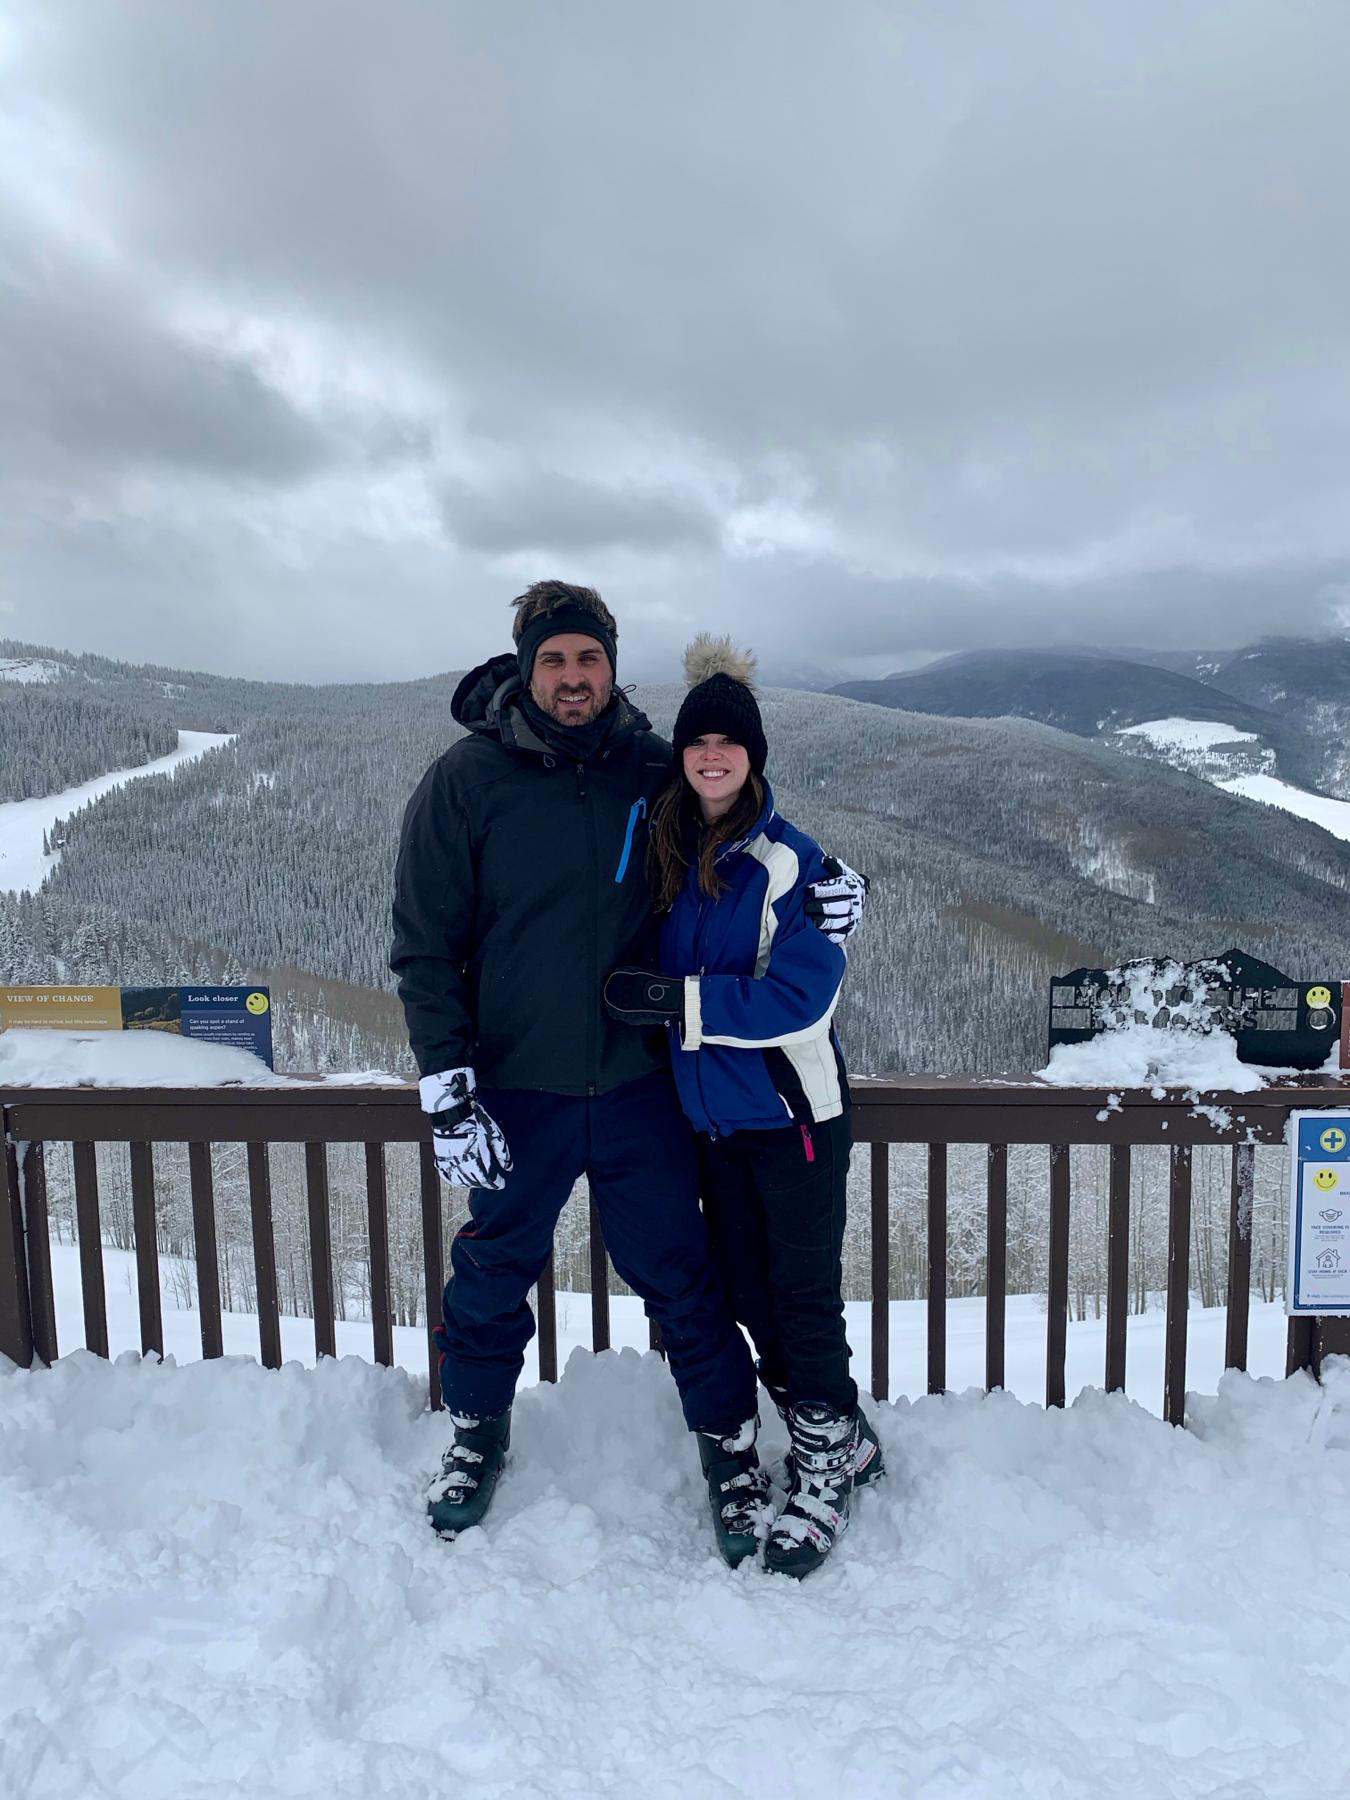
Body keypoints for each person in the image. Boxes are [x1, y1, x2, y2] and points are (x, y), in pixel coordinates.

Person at [390, 582, 868, 1559]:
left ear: (612, 665)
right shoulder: (466, 782)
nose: (574, 677)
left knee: (684, 1278)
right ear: (528, 666)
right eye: (556, 660)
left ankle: (730, 1450)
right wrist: (448, 1084)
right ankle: (476, 1433)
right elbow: (423, 946)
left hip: (644, 1087)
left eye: (589, 659)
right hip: (519, 1087)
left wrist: (831, 883)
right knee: (490, 1269)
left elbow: (740, 824)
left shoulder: (653, 770)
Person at [604, 636, 880, 1579]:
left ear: (754, 756)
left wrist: (677, 1004)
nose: (713, 756)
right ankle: (839, 1432)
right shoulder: (672, 848)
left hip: (795, 1119)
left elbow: (797, 999)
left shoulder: (793, 864)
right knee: (751, 1295)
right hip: (716, 1123)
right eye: (698, 743)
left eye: (730, 743)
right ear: (681, 755)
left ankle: (822, 1468)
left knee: (802, 1300)